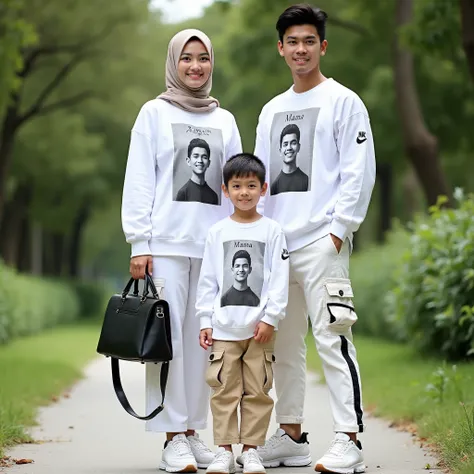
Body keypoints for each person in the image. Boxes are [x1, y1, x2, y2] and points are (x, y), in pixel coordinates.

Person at [254, 5, 376, 474]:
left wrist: (338, 232)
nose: (300, 49)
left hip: (322, 244)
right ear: (280, 48)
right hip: (278, 247)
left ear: (322, 46)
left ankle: (349, 439)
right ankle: (291, 437)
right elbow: (259, 180)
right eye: (292, 42)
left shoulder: (344, 101)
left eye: (309, 41)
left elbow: (358, 172)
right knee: (283, 346)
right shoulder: (271, 110)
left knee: (334, 338)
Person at [121, 29, 242, 473]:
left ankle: (193, 432)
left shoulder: (224, 120)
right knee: (167, 342)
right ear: (174, 63)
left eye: (203, 58)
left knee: (203, 343)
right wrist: (140, 241)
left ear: (212, 63)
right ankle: (171, 437)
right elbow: (140, 179)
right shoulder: (153, 113)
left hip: (211, 248)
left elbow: (237, 184)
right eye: (187, 58)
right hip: (166, 247)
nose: (195, 66)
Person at [196, 153, 289, 474]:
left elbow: (279, 278)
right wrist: (205, 320)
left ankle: (250, 450)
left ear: (264, 189)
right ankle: (223, 450)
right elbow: (207, 279)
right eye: (237, 186)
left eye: (252, 185)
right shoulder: (217, 232)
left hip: (259, 331)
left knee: (258, 392)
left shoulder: (273, 231)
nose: (245, 192)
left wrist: (271, 318)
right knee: (224, 391)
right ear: (225, 190)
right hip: (223, 330)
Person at [176, 137, 219, 204]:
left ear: (208, 163)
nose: (200, 161)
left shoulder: (213, 195)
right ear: (188, 161)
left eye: (204, 157)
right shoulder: (183, 193)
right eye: (196, 156)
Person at [270, 123, 309, 195]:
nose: (289, 148)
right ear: (280, 150)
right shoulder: (274, 186)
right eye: (285, 144)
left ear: (298, 147)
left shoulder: (307, 181)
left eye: (293, 143)